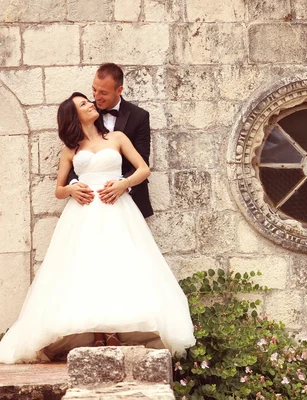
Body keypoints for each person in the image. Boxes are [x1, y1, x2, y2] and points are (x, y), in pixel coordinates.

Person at [0, 92, 195, 363]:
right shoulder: (71, 150)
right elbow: (58, 189)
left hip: (116, 209)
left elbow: (143, 169)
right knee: (87, 268)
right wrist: (71, 189)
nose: (91, 104)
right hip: (83, 214)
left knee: (117, 265)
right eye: (83, 104)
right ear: (73, 116)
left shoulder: (116, 138)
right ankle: (97, 334)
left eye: (89, 102)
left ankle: (113, 332)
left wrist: (122, 184)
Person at [68, 63, 153, 218]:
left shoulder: (139, 117)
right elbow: (74, 154)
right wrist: (73, 185)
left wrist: (123, 185)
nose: (96, 97)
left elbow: (142, 162)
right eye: (94, 90)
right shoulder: (86, 113)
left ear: (119, 90)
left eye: (103, 93)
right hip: (89, 204)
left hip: (129, 200)